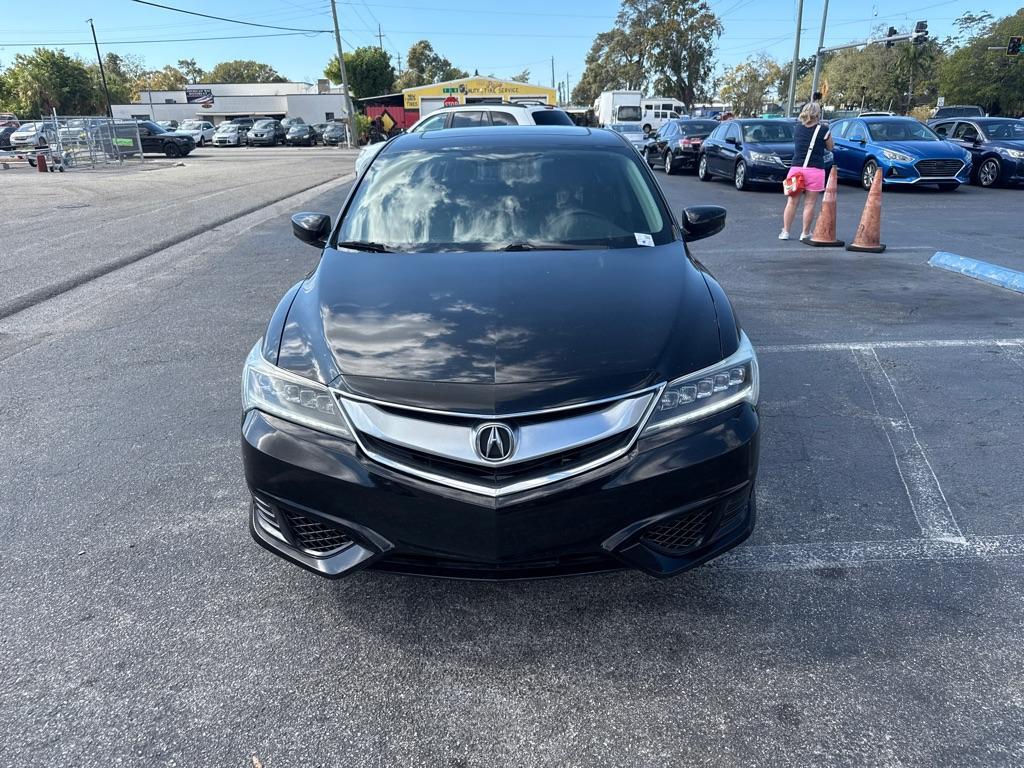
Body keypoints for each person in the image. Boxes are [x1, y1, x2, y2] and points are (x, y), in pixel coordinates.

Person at [780, 101, 833, 241]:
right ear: (818, 114)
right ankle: (805, 233)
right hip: (815, 170)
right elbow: (831, 147)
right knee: (809, 204)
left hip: (796, 169)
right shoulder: (823, 130)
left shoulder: (797, 128)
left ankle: (785, 231)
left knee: (791, 202)